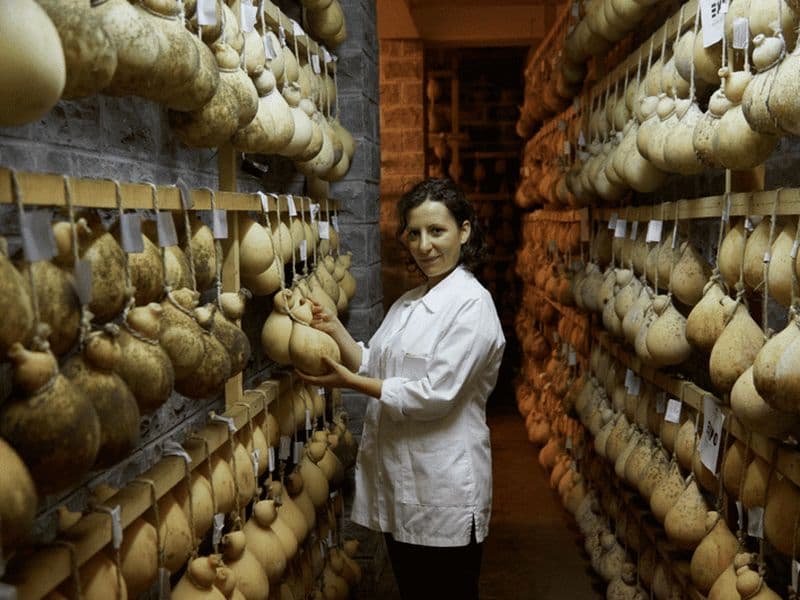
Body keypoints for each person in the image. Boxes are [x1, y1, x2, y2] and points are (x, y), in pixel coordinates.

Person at [297, 178, 506, 600]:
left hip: (442, 488)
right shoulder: (409, 302)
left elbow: (435, 394)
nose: (424, 246)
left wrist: (349, 383)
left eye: (437, 231)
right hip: (402, 484)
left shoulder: (473, 305)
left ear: (464, 231)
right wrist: (334, 328)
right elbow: (375, 363)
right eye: (414, 233)